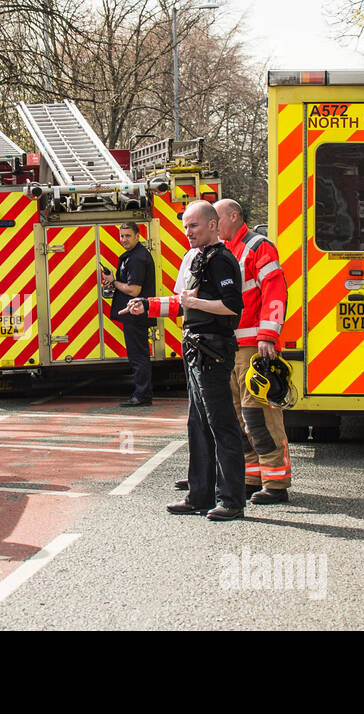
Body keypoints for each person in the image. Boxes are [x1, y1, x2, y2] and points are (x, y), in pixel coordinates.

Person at [124, 201, 245, 520]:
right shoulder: (194, 257)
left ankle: (231, 500)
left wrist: (197, 302)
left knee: (222, 424)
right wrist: (146, 306)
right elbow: (181, 304)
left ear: (214, 225)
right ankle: (199, 495)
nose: (188, 232)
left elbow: (233, 306)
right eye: (186, 226)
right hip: (194, 345)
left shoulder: (222, 260)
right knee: (198, 424)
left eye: (194, 226)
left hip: (214, 349)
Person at [216, 199, 293, 504]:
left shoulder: (258, 246)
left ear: (234, 217)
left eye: (217, 218)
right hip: (231, 347)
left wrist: (268, 335)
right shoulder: (226, 250)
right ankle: (251, 476)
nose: (214, 224)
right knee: (237, 416)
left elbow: (275, 290)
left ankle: (276, 483)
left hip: (252, 347)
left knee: (258, 415)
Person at [105, 221, 156, 407]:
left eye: (128, 236)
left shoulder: (137, 258)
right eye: (121, 236)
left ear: (137, 236)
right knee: (138, 354)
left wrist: (114, 282)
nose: (124, 239)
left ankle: (142, 395)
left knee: (138, 356)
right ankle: (142, 393)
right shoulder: (132, 256)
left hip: (136, 314)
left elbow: (134, 290)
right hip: (134, 313)